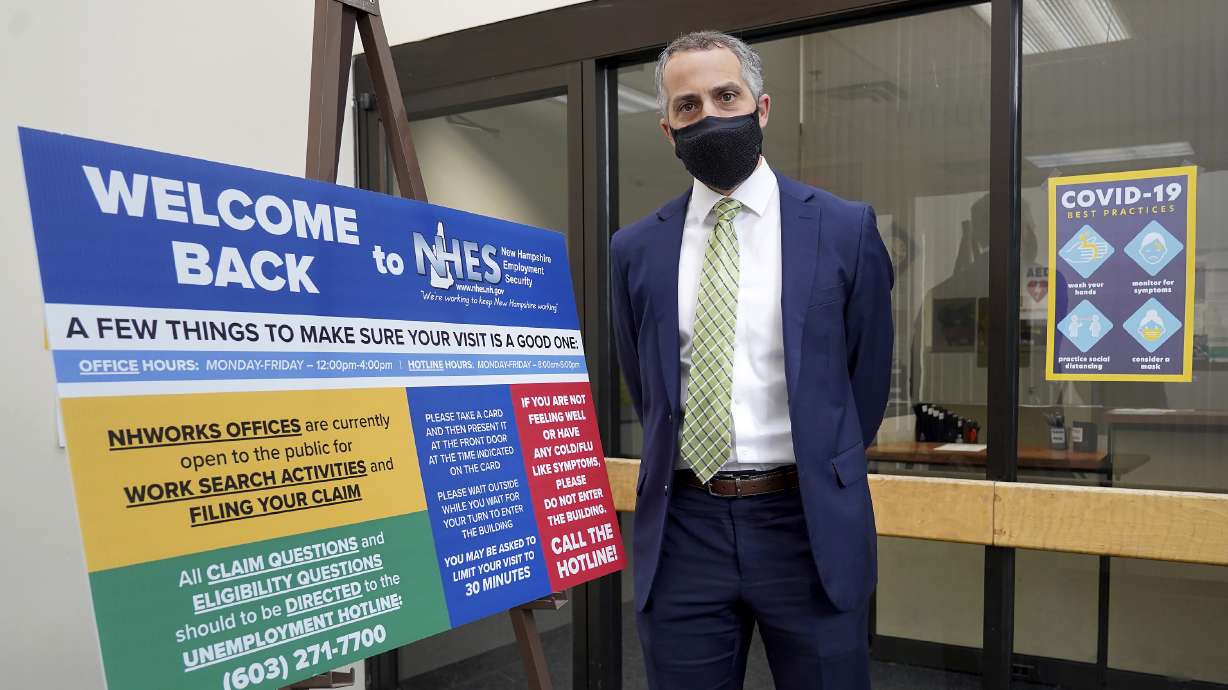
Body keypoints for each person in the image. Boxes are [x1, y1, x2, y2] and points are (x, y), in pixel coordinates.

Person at [609, 30, 894, 690]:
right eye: (688, 106)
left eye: (725, 95)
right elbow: (646, 384)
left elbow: (865, 382)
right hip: (684, 529)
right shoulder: (635, 250)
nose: (707, 114)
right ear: (668, 128)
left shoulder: (844, 229)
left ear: (760, 107)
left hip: (807, 523)